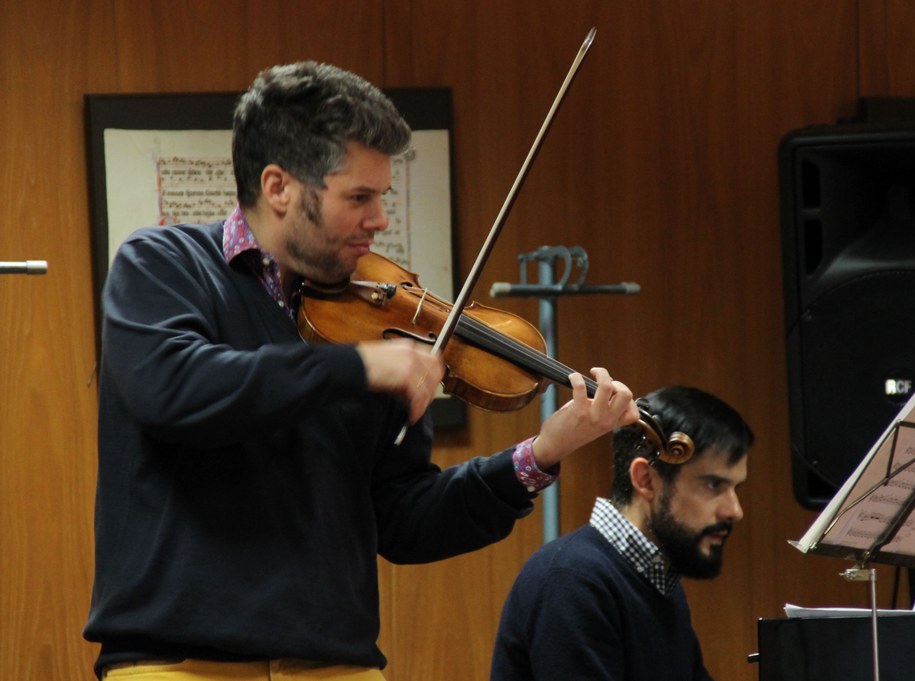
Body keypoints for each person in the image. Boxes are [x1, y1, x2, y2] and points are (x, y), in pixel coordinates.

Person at [83, 61, 639, 680]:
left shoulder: (377, 319)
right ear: (278, 187)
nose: (378, 221)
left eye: (382, 198)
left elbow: (401, 519)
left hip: (336, 666)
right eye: (359, 198)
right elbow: (177, 390)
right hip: (179, 665)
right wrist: (355, 368)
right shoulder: (162, 266)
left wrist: (538, 455)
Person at [490, 385, 753, 681]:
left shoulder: (660, 580)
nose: (734, 510)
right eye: (713, 485)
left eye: (735, 488)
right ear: (646, 480)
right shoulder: (573, 580)